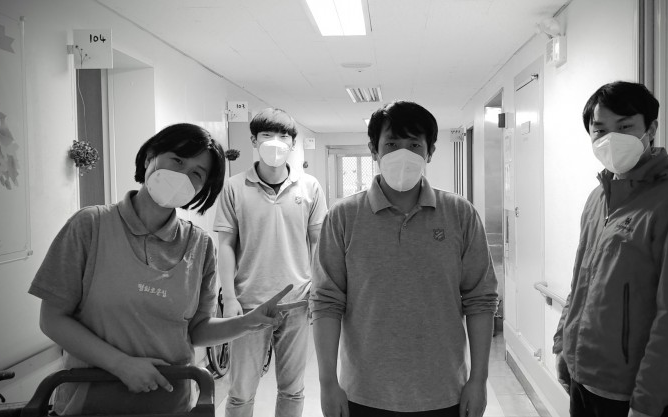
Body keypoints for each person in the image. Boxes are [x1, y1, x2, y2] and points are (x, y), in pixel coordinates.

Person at [29, 123, 294, 415]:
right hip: (89, 403)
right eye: (177, 161)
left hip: (171, 403)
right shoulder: (91, 226)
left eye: (197, 173)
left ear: (202, 188)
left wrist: (248, 322)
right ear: (149, 158)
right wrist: (120, 365)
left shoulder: (200, 245)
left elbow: (196, 331)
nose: (183, 176)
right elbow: (52, 319)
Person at [310, 100, 499, 417]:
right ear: (374, 150)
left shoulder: (460, 214)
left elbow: (480, 300)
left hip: (444, 391)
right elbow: (326, 302)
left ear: (430, 151)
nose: (403, 154)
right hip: (364, 393)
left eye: (414, 145)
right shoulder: (343, 217)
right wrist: (327, 382)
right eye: (391, 144)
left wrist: (478, 380)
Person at [553, 81, 668, 417]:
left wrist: (648, 401)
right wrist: (563, 347)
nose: (611, 139)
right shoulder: (598, 197)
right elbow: (580, 282)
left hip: (630, 394)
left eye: (625, 127)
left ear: (650, 129)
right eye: (600, 130)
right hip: (583, 378)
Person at [213, 108, 327, 417]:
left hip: (297, 302)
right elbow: (226, 245)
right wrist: (230, 298)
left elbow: (318, 244)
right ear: (254, 140)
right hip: (248, 304)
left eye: (283, 136)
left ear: (293, 143)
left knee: (292, 389)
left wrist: (317, 292)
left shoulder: (310, 187)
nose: (275, 142)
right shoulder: (234, 187)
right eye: (267, 135)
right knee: (240, 393)